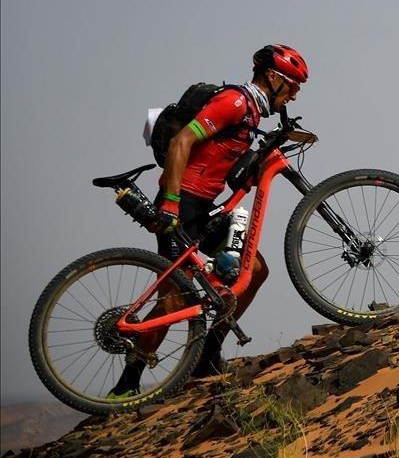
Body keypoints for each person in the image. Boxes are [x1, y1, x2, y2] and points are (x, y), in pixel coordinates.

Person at [108, 44, 308, 398]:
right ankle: (127, 382)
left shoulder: (253, 117)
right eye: (292, 86)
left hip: (203, 209)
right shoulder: (235, 102)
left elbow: (223, 165)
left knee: (254, 270)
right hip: (181, 204)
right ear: (274, 78)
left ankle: (208, 352)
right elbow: (181, 143)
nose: (293, 95)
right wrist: (169, 203)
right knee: (175, 298)